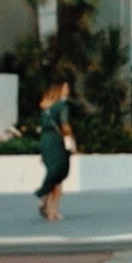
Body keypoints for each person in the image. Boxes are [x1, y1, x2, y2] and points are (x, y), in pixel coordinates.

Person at [34, 76, 74, 221]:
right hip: (57, 142)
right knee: (58, 177)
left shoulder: (46, 107)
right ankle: (52, 210)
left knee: (53, 174)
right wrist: (71, 141)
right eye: (65, 87)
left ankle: (45, 202)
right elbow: (65, 125)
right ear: (60, 90)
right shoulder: (62, 105)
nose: (68, 90)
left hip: (45, 142)